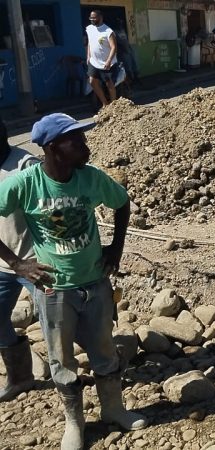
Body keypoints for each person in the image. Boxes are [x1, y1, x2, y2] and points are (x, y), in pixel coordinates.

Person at [0, 113, 147, 450]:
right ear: (53, 148)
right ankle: (74, 423)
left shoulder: (90, 178)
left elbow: (122, 203)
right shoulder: (26, 184)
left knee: (105, 350)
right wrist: (16, 263)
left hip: (95, 283)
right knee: (61, 360)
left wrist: (116, 248)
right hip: (54, 290)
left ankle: (113, 409)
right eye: (75, 141)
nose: (85, 146)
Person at [0, 118, 39, 403]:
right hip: (5, 262)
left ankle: (108, 362)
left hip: (37, 262)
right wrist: (12, 262)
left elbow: (51, 212)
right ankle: (21, 378)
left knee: (62, 324)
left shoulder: (25, 166)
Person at [85, 10, 119, 107]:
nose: (92, 20)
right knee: (92, 81)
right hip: (94, 61)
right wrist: (88, 56)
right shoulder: (89, 28)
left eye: (94, 18)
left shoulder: (108, 31)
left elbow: (114, 47)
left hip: (106, 62)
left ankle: (113, 105)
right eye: (90, 18)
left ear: (100, 17)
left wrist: (109, 60)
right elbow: (90, 43)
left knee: (109, 83)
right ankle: (104, 103)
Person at [114, 18, 139, 85]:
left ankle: (136, 79)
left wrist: (130, 48)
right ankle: (131, 82)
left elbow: (126, 40)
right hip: (123, 52)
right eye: (119, 23)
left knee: (134, 64)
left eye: (121, 23)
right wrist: (122, 50)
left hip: (128, 50)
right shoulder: (114, 32)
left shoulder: (122, 30)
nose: (120, 24)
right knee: (127, 67)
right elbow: (116, 43)